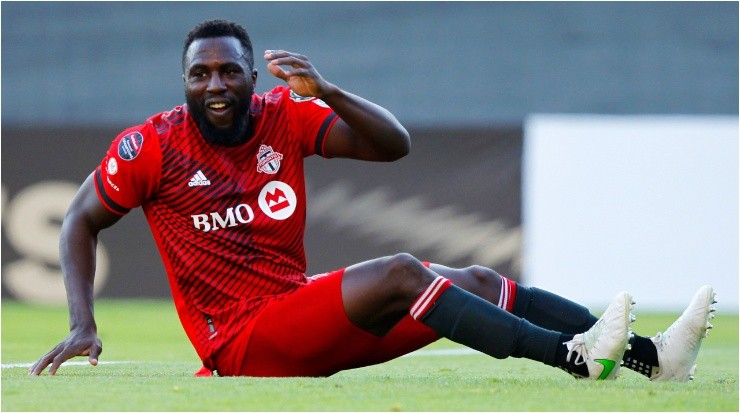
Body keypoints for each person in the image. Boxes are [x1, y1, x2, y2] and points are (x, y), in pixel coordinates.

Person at [29, 19, 716, 381]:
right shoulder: (155, 145)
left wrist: (326, 89)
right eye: (199, 72)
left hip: (292, 311)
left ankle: (653, 359)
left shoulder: (284, 115)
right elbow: (80, 220)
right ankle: (574, 356)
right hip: (239, 341)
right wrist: (82, 321)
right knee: (400, 271)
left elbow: (394, 145)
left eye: (229, 71)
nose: (215, 83)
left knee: (475, 280)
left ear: (248, 77)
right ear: (183, 81)